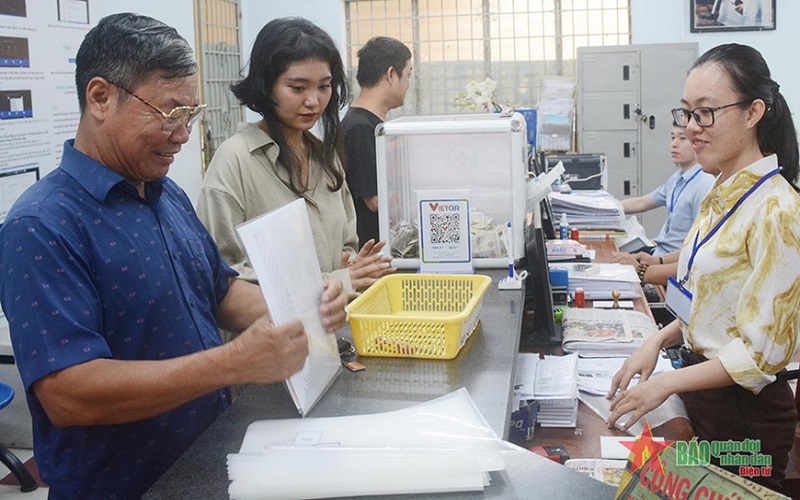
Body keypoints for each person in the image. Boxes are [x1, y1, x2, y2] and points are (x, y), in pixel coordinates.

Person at [0, 14, 347, 498]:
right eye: (168, 114)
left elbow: (219, 289)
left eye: (191, 113)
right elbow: (69, 394)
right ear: (100, 98)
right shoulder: (42, 226)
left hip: (205, 456)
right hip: (124, 484)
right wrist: (233, 363)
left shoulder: (164, 194)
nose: (183, 134)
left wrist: (302, 307)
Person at [606, 43, 800, 492]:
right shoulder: (723, 193)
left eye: (706, 113)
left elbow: (760, 353)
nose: (692, 128)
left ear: (753, 112)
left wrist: (666, 384)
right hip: (705, 398)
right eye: (687, 113)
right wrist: (658, 338)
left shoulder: (777, 211)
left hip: (743, 424)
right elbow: (713, 303)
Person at [197, 18, 393, 299]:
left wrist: (356, 267)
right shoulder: (235, 161)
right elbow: (223, 275)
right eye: (298, 88)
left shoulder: (326, 160)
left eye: (324, 86)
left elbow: (347, 246)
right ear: (266, 86)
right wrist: (337, 280)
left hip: (331, 332)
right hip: (269, 337)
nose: (313, 101)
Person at [342, 36, 412, 245]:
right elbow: (375, 201)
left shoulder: (371, 125)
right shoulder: (360, 128)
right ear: (391, 74)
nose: (409, 84)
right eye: (408, 75)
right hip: (372, 250)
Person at [617, 125, 714, 257]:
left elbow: (699, 246)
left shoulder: (704, 185)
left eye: (682, 138)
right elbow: (643, 202)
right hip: (658, 252)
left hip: (671, 263)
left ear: (698, 143)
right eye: (672, 137)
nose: (674, 144)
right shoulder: (677, 178)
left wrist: (653, 266)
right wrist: (607, 208)